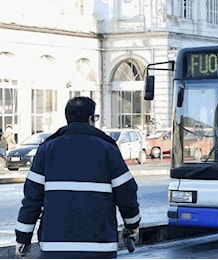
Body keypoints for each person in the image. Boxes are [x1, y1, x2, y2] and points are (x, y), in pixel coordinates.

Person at [15, 96, 141, 259]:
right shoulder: (107, 149)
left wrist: (23, 238)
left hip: (56, 246)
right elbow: (127, 193)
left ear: (68, 119)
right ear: (90, 118)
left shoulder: (47, 149)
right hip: (100, 246)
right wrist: (132, 225)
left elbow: (32, 200)